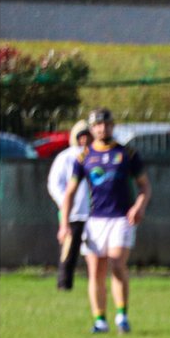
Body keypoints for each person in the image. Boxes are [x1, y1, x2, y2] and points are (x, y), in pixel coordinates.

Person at [58, 107, 151, 334]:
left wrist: (139, 206)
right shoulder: (84, 156)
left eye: (106, 124)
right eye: (97, 125)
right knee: (96, 271)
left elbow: (144, 186)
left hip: (121, 218)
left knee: (117, 263)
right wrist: (64, 224)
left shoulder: (127, 154)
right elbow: (69, 193)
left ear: (112, 125)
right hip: (95, 220)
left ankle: (122, 316)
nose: (102, 128)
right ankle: (100, 320)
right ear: (92, 129)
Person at [48, 119, 93, 291]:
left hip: (94, 214)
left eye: (88, 136)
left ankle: (95, 283)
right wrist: (65, 203)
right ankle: (64, 285)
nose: (85, 140)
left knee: (95, 253)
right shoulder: (65, 157)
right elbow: (54, 184)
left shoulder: (97, 157)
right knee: (68, 253)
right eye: (82, 136)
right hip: (72, 214)